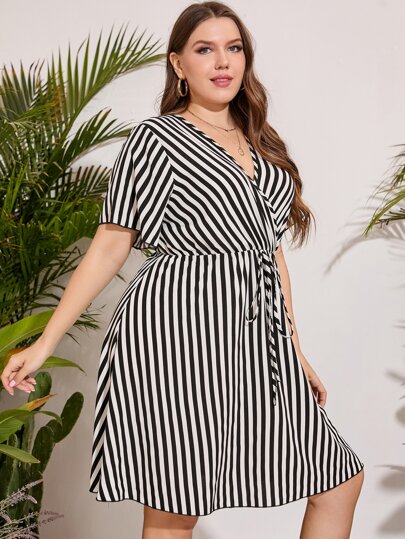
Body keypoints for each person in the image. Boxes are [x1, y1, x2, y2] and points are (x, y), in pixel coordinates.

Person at [1, 2, 365, 537]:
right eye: (204, 49)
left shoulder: (261, 143)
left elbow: (270, 251)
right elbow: (110, 245)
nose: (223, 62)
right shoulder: (157, 139)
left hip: (254, 340)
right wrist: (45, 342)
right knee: (176, 505)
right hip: (175, 334)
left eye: (233, 48)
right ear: (178, 64)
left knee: (339, 481)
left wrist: (293, 349)